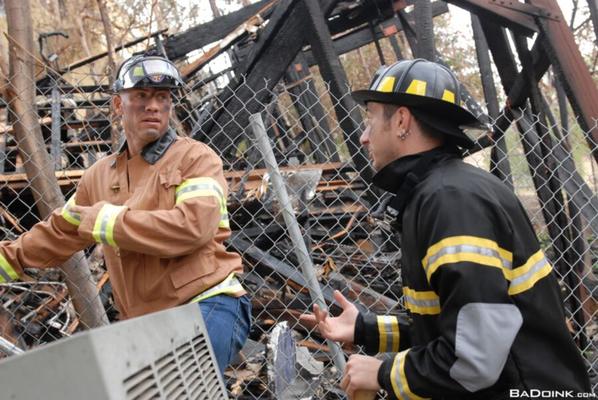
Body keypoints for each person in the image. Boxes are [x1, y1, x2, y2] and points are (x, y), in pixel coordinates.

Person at [302, 59, 591, 399]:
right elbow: (453, 328)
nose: (363, 137)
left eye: (369, 119)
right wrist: (366, 328)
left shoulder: (450, 202)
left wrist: (382, 373)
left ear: (400, 121)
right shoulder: (437, 193)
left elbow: (475, 360)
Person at [0, 51, 251, 375]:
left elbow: (192, 228)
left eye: (162, 97)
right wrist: (8, 259)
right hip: (144, 325)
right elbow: (59, 232)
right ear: (118, 104)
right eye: (142, 96)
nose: (154, 106)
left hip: (207, 304)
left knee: (178, 390)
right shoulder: (99, 176)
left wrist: (107, 221)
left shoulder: (195, 158)